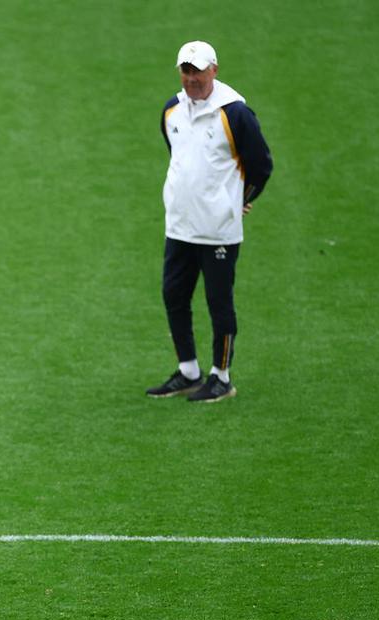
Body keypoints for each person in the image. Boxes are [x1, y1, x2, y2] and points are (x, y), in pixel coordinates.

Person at [147, 40, 273, 403]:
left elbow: (261, 165)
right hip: (180, 226)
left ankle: (221, 376)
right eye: (186, 71)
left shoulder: (235, 115)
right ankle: (188, 371)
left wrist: (243, 199)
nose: (191, 78)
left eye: (198, 70)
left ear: (214, 69)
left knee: (219, 303)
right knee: (174, 296)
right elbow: (180, 158)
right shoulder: (172, 111)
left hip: (218, 229)